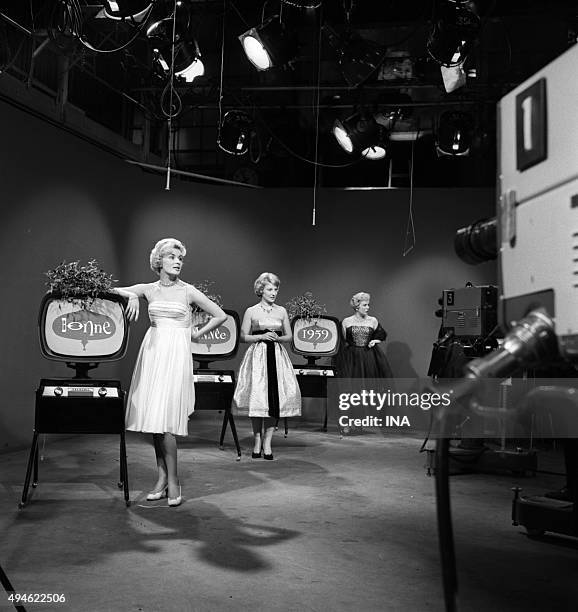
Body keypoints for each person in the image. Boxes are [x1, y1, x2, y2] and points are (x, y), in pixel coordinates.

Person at [114, 238, 227, 507]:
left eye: (180, 258)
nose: (178, 261)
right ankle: (162, 478)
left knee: (167, 424)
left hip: (175, 356)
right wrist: (132, 295)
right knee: (154, 421)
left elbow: (219, 315)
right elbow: (112, 290)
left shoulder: (188, 291)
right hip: (153, 354)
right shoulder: (149, 289)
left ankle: (175, 481)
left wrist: (195, 333)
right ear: (159, 261)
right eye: (172, 257)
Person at [233, 272, 301, 460]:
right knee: (258, 398)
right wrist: (261, 336)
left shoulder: (281, 311)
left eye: (276, 289)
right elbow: (242, 336)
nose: (273, 293)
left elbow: (290, 336)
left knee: (274, 398)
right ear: (261, 290)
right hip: (258, 356)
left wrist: (278, 338)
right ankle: (257, 440)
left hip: (277, 355)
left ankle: (268, 442)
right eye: (270, 289)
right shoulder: (251, 311)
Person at [336, 291, 394, 379]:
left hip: (369, 356)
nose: (368, 307)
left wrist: (374, 341)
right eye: (365, 305)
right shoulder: (346, 321)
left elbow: (381, 335)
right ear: (357, 307)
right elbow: (342, 340)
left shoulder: (373, 320)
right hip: (352, 357)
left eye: (368, 305)